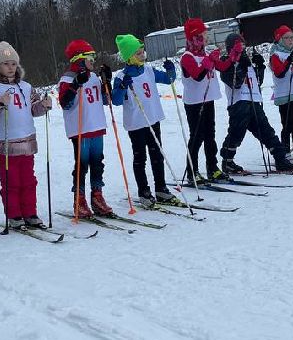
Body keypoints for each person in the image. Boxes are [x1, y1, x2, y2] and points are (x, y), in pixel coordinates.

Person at [0, 41, 52, 228]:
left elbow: (34, 109)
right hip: (4, 144)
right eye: (5, 63)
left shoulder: (26, 87)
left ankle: (30, 212)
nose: (10, 67)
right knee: (11, 181)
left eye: (13, 63)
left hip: (27, 141)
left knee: (29, 180)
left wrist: (43, 106)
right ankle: (14, 214)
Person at [110, 34, 178, 206]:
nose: (142, 55)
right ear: (129, 57)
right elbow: (116, 100)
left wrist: (171, 70)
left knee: (157, 155)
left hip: (153, 119)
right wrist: (123, 86)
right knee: (140, 157)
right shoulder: (121, 76)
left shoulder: (148, 70)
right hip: (136, 123)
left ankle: (161, 188)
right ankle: (144, 191)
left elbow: (168, 79)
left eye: (142, 52)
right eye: (138, 53)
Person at [218, 32, 293, 172]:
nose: (242, 48)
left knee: (266, 131)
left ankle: (280, 158)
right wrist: (242, 66)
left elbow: (257, 81)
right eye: (239, 45)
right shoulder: (227, 61)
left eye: (243, 45)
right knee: (236, 133)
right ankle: (227, 161)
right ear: (231, 47)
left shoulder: (245, 60)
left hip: (253, 101)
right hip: (239, 103)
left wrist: (259, 67)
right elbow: (235, 83)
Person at [58, 39, 114, 217]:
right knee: (82, 165)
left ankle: (97, 196)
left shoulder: (95, 77)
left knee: (98, 163)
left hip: (96, 126)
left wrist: (107, 81)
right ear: (79, 60)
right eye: (90, 58)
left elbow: (106, 100)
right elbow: (65, 104)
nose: (93, 61)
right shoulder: (67, 79)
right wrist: (76, 85)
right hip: (80, 129)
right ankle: (79, 199)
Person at [179, 18, 230, 182]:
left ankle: (212, 167)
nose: (206, 38)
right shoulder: (187, 57)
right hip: (194, 103)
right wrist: (210, 60)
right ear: (194, 37)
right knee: (197, 137)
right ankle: (192, 171)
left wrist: (233, 55)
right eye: (203, 35)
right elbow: (198, 75)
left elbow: (222, 67)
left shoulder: (205, 53)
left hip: (208, 100)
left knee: (210, 135)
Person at [269, 25, 293, 160]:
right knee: (287, 123)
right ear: (280, 40)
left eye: (292, 37)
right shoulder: (276, 55)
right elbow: (279, 73)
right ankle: (285, 148)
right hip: (285, 94)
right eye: (286, 38)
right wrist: (287, 61)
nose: (291, 40)